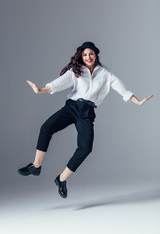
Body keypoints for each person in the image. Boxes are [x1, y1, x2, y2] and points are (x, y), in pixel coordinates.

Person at [18, 42, 153, 198]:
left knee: (86, 148)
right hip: (72, 108)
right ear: (81, 57)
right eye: (85, 54)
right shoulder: (76, 71)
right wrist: (40, 90)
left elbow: (121, 88)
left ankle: (61, 179)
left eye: (91, 54)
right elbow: (58, 84)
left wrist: (138, 101)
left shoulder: (105, 74)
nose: (88, 57)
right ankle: (36, 166)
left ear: (96, 55)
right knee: (46, 128)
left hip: (87, 112)